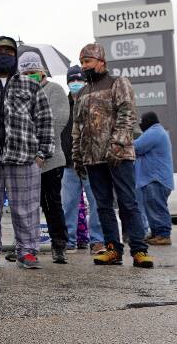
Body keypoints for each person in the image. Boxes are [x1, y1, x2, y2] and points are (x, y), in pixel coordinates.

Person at [0, 36, 54, 269]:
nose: (4, 54)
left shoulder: (30, 86)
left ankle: (27, 251)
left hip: (24, 157)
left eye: (9, 50)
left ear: (16, 55)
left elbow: (45, 119)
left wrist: (42, 154)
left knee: (26, 209)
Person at [72, 43, 153, 269]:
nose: (84, 66)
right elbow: (77, 127)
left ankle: (139, 250)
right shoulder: (81, 93)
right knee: (103, 205)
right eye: (82, 62)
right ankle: (113, 249)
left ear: (101, 61)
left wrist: (117, 144)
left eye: (87, 61)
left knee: (128, 202)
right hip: (93, 159)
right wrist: (77, 156)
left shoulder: (118, 83)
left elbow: (127, 113)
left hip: (119, 156)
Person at [19, 53, 71, 263]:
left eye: (32, 73)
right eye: (25, 74)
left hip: (49, 161)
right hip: (25, 161)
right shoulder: (21, 94)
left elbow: (57, 122)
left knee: (51, 204)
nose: (29, 76)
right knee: (25, 207)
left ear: (41, 71)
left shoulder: (54, 90)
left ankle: (59, 245)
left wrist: (40, 150)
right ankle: (26, 246)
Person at [61, 65, 105, 253]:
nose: (75, 84)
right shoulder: (62, 104)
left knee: (97, 202)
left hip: (91, 161)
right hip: (68, 163)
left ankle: (97, 241)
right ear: (67, 82)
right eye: (72, 81)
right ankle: (68, 240)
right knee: (67, 203)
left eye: (79, 80)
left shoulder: (93, 101)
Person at [135, 111, 176, 245]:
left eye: (141, 122)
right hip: (153, 179)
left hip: (156, 179)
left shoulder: (154, 132)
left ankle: (164, 234)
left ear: (148, 121)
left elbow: (137, 147)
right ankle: (156, 233)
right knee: (152, 208)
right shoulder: (156, 132)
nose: (140, 125)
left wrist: (121, 143)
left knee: (157, 207)